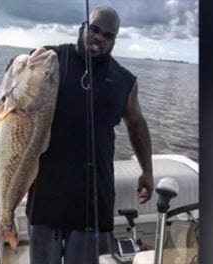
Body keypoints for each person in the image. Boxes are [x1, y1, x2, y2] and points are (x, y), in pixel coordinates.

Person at [20, 5, 153, 264]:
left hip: (93, 199)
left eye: (108, 35)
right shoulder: (52, 58)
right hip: (46, 192)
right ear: (82, 27)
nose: (99, 37)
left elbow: (136, 124)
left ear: (114, 41)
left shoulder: (124, 81)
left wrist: (147, 170)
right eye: (94, 29)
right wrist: (18, 67)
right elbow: (19, 76)